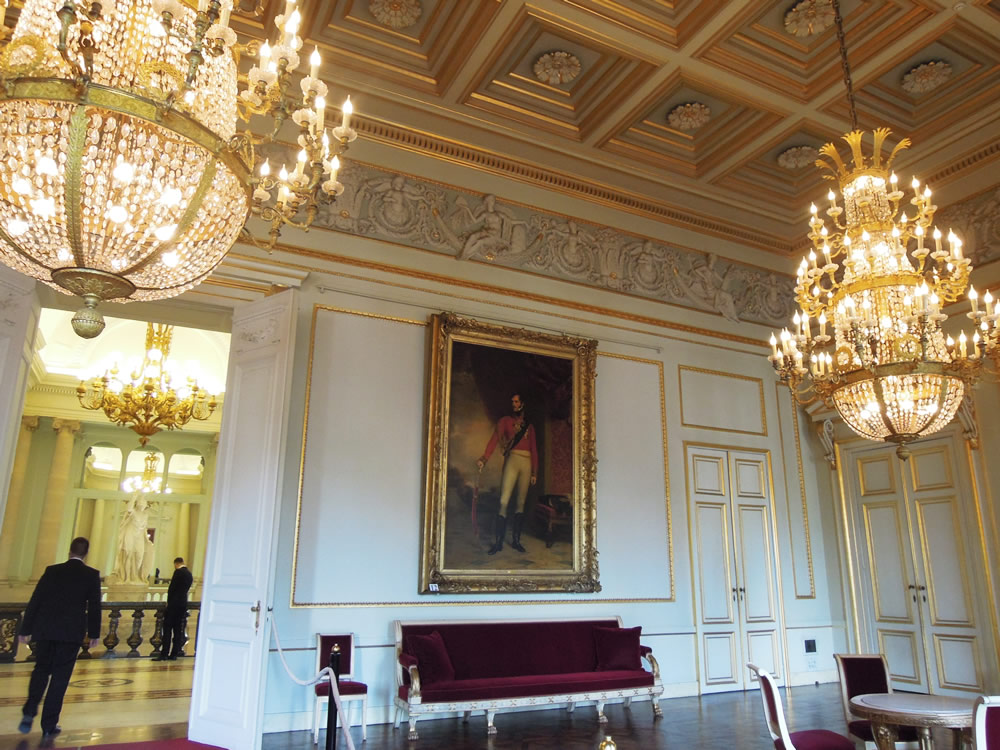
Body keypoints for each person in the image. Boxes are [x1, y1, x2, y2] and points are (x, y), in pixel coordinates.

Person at [17, 537, 101, 739]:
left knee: (40, 670)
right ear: (86, 554)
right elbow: (94, 607)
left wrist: (25, 629)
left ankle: (29, 710)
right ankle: (49, 725)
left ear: (69, 551)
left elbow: (36, 600)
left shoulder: (52, 571)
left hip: (46, 630)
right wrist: (94, 633)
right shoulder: (91, 575)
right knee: (60, 679)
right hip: (71, 633)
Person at [477, 393, 538, 555]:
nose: (514, 404)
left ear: (522, 404)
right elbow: (494, 440)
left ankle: (516, 541)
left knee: (520, 502)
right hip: (512, 461)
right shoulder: (504, 421)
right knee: (503, 501)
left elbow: (534, 449)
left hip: (527, 464)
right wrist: (484, 458)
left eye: (516, 401)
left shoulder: (529, 426)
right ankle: (498, 543)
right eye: (512, 401)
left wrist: (534, 472)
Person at [155, 556, 193, 661]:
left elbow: (172, 589)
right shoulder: (189, 574)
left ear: (176, 564)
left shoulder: (178, 572)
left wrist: (169, 602)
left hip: (173, 605)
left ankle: (164, 653)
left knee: (167, 629)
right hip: (182, 604)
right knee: (178, 630)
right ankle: (174, 654)